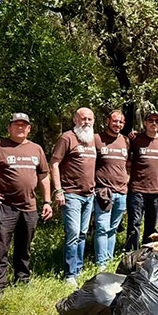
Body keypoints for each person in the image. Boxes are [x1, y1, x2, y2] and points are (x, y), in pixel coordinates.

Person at [0, 113, 52, 296]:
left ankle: (22, 280)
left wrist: (47, 201)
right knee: (0, 248)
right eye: (16, 125)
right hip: (4, 205)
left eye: (24, 125)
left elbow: (44, 176)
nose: (20, 128)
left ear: (29, 129)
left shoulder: (36, 149)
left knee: (25, 247)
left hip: (30, 206)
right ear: (9, 128)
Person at [50, 107, 97, 286]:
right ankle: (69, 274)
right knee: (73, 234)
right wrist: (58, 190)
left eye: (89, 119)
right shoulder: (67, 138)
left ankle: (78, 269)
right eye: (83, 118)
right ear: (75, 120)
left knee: (83, 234)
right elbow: (54, 163)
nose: (86, 122)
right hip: (71, 195)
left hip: (89, 195)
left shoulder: (93, 140)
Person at [125, 111, 158, 251]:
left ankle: (148, 251)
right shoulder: (136, 139)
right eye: (151, 120)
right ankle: (132, 251)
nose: (154, 123)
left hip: (157, 190)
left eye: (157, 121)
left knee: (152, 225)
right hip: (137, 189)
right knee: (134, 223)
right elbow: (126, 158)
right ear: (145, 123)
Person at [93, 110, 130, 264]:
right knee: (102, 228)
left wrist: (127, 180)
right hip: (103, 191)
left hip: (121, 192)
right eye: (115, 121)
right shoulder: (96, 139)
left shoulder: (126, 141)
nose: (117, 124)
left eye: (121, 122)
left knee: (113, 228)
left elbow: (128, 164)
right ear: (108, 121)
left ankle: (109, 258)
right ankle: (101, 263)